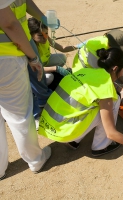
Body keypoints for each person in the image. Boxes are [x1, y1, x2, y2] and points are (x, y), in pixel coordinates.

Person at [38, 48, 123, 156]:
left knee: (90, 104)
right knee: (115, 100)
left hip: (49, 124)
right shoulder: (105, 89)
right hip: (64, 131)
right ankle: (101, 146)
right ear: (115, 68)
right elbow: (111, 133)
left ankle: (74, 141)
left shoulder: (87, 71)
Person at [0, 0, 51, 180]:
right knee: (20, 116)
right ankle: (36, 160)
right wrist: (32, 57)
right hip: (6, 57)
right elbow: (10, 24)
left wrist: (42, 16)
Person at [28, 17, 75, 90]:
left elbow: (62, 48)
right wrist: (56, 68)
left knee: (62, 58)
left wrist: (78, 46)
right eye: (40, 35)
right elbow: (35, 69)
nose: (44, 37)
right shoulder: (30, 47)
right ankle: (38, 90)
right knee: (49, 78)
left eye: (46, 33)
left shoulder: (46, 38)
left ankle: (52, 74)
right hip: (37, 70)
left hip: (44, 63)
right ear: (31, 35)